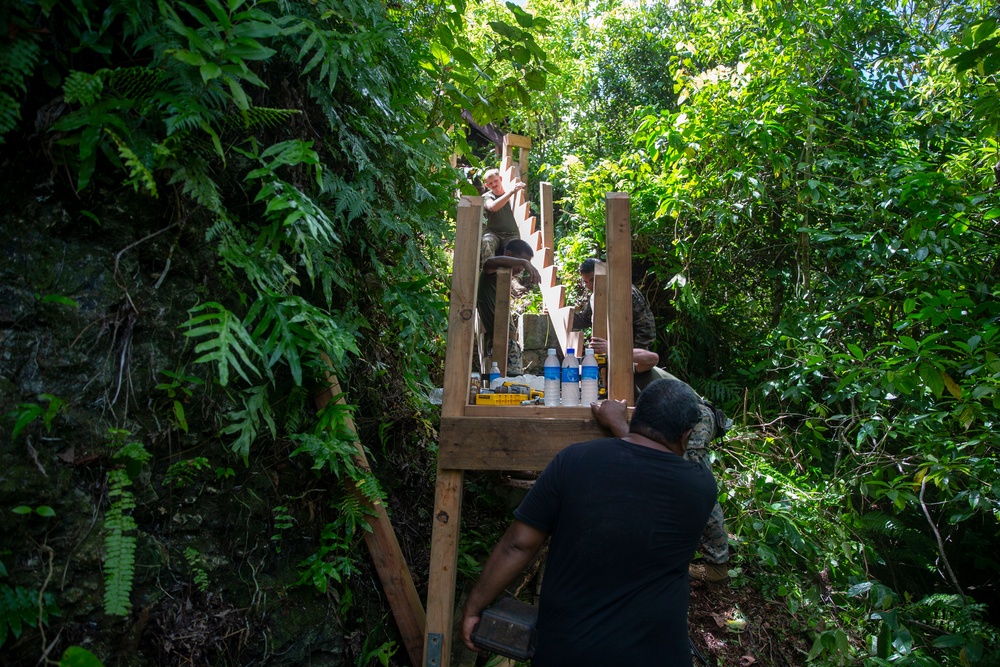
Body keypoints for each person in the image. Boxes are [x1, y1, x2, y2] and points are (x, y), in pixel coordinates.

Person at [460, 380, 717, 665]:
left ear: (637, 417)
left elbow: (518, 545)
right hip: (655, 655)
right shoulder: (700, 487)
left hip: (568, 652)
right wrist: (622, 427)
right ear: (686, 436)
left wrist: (474, 607)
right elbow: (652, 462)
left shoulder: (573, 461)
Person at [589, 338, 731, 583]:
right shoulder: (602, 380)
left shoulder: (626, 365)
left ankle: (718, 565)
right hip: (669, 423)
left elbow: (651, 358)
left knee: (693, 480)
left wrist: (615, 350)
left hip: (694, 416)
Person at [478, 239, 541, 376]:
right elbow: (489, 263)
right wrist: (522, 262)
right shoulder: (491, 274)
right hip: (502, 342)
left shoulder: (503, 281)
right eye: (522, 261)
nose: (522, 268)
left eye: (525, 264)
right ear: (508, 254)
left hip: (508, 343)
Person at [572, 258, 656, 351]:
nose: (590, 285)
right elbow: (585, 319)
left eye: (593, 280)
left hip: (630, 355)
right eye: (586, 282)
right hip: (607, 353)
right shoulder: (595, 297)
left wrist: (632, 355)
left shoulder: (626, 292)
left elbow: (647, 327)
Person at [480, 168, 526, 266]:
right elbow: (492, 207)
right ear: (487, 186)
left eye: (495, 181)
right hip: (494, 233)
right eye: (490, 183)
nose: (494, 185)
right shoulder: (487, 197)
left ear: (500, 179)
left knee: (518, 248)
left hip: (511, 234)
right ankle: (489, 272)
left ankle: (516, 278)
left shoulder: (512, 195)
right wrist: (511, 192)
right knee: (486, 241)